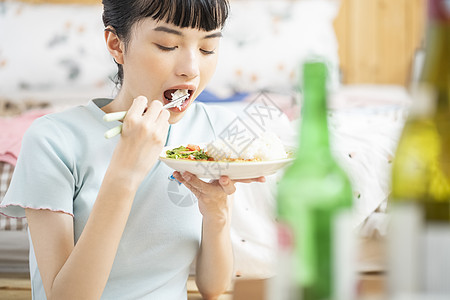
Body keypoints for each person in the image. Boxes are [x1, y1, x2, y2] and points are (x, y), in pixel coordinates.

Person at [0, 0, 266, 299]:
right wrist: (124, 174)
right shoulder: (53, 139)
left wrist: (216, 213)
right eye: (167, 45)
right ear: (116, 45)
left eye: (207, 49)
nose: (191, 69)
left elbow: (213, 287)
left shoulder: (212, 132)